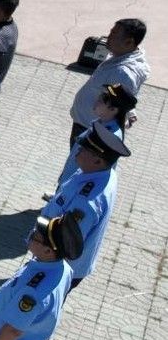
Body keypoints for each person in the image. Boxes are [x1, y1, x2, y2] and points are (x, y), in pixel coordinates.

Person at [39, 124, 129, 290]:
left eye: (84, 149)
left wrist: (42, 261)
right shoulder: (96, 171)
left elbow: (66, 243)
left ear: (98, 160)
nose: (78, 149)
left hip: (57, 266)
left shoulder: (86, 203)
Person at [67, 18, 150, 146]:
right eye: (111, 32)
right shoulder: (121, 55)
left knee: (78, 158)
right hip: (85, 123)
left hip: (91, 131)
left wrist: (127, 112)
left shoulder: (123, 73)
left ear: (129, 42)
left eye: (114, 34)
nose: (108, 37)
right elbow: (122, 96)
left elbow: (119, 105)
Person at [51, 82, 133, 190]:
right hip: (69, 183)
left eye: (101, 100)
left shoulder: (108, 137)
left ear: (113, 109)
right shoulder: (100, 124)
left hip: (75, 188)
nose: (96, 101)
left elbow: (96, 169)